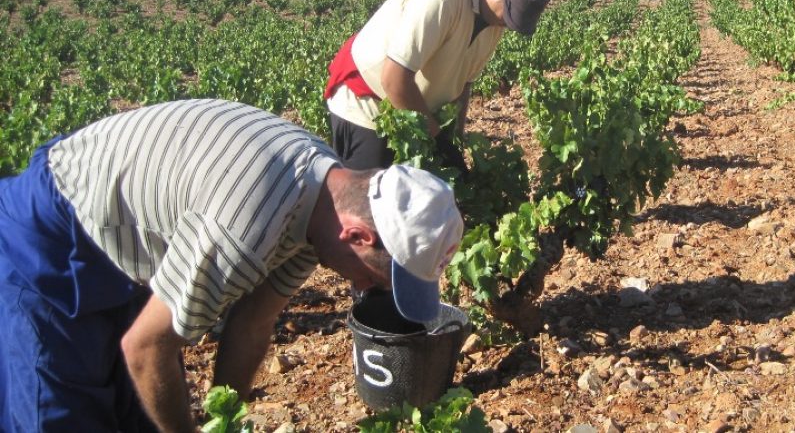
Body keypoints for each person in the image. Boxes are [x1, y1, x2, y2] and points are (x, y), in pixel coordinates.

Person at [0, 99, 464, 431]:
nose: (364, 288)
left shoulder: (322, 202)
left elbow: (253, 324)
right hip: (52, 238)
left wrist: (226, 416)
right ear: (359, 236)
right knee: (62, 413)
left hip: (124, 248)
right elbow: (146, 349)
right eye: (375, 280)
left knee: (136, 414)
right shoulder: (246, 225)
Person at [324, 0, 554, 170]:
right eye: (510, 17)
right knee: (368, 207)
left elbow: (463, 84)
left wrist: (454, 142)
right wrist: (437, 141)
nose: (507, 25)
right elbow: (394, 79)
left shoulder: (496, 19)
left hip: (413, 117)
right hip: (367, 106)